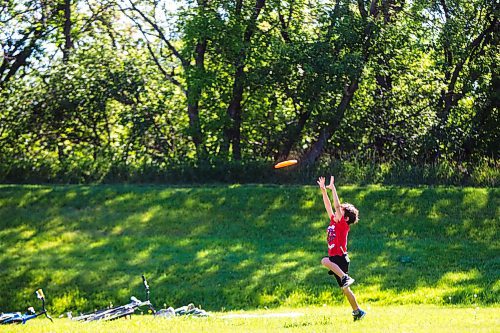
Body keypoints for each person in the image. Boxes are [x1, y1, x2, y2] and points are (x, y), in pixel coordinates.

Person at [317, 175, 366, 321]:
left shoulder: (343, 225)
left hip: (340, 258)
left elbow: (337, 206)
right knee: (345, 290)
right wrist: (323, 191)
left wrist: (333, 189)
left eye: (341, 211)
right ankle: (358, 311)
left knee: (324, 261)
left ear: (345, 218)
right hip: (336, 259)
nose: (338, 211)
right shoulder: (334, 220)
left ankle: (345, 277)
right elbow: (329, 206)